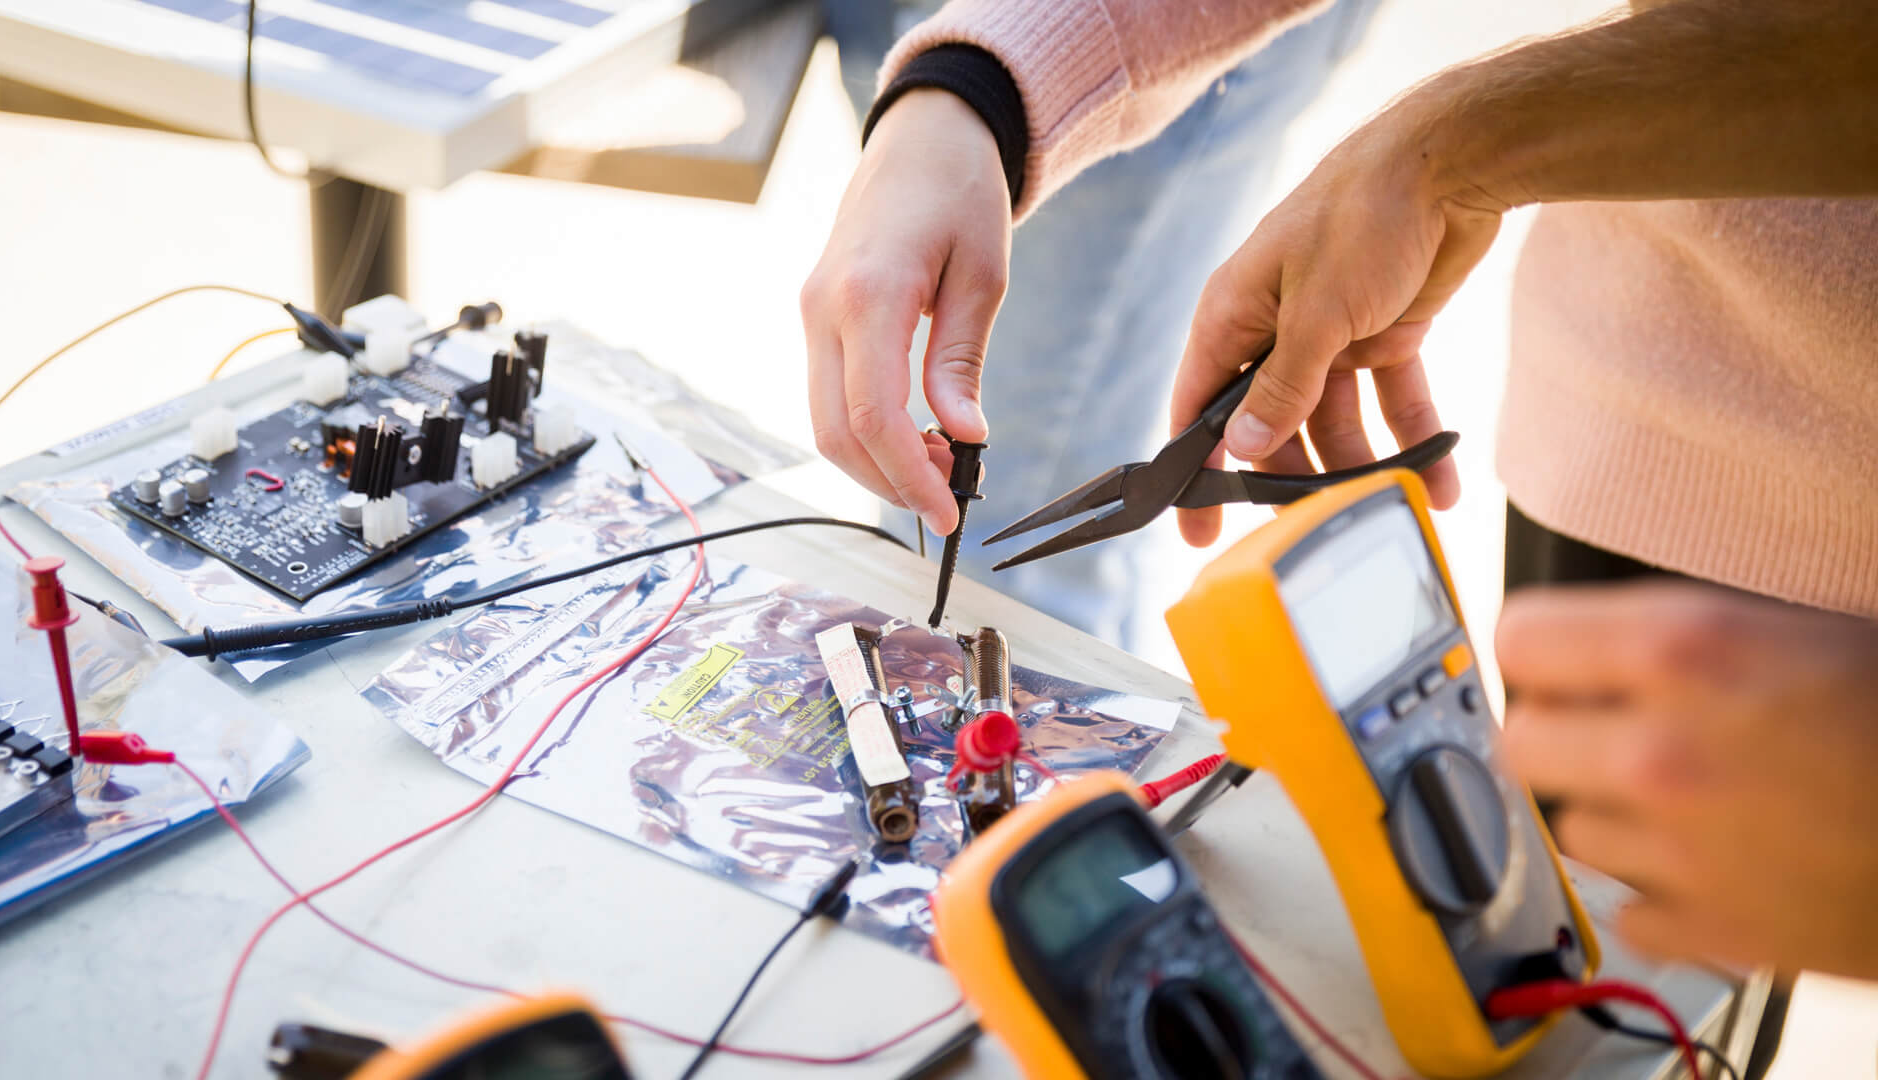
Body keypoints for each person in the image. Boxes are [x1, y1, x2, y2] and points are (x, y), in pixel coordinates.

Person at [805, 0, 1878, 987]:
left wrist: (1454, 147)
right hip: (1631, 438)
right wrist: (981, 86)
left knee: (1667, 989)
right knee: (1564, 971)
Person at [809, 0, 1381, 648]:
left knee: (1010, 601)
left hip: (1120, 47)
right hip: (925, 57)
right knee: (938, 532)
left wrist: (982, 80)